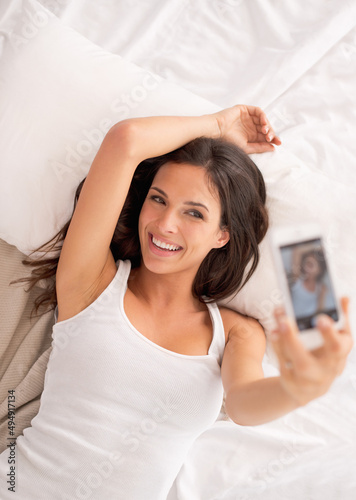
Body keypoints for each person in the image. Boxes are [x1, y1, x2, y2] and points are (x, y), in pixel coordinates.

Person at [0, 105, 352, 499]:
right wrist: (217, 126)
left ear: (223, 234)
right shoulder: (91, 284)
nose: (165, 224)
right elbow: (125, 141)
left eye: (194, 213)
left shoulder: (236, 332)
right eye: (159, 199)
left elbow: (243, 405)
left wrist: (297, 387)